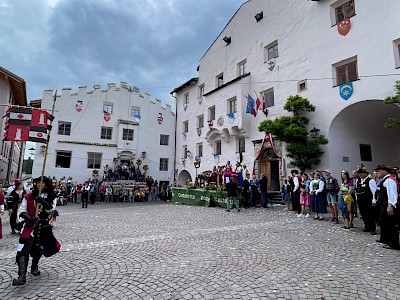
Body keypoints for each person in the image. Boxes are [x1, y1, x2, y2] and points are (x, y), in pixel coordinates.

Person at [12, 176, 61, 286]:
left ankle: (34, 266)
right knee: (23, 250)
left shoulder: (51, 197)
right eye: (38, 182)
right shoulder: (28, 196)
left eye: (42, 183)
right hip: (29, 227)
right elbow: (22, 211)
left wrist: (43, 202)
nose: (40, 185)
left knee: (38, 249)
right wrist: (29, 218)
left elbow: (51, 210)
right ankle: (22, 277)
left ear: (46, 185)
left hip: (43, 227)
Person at [375, 165, 399, 250]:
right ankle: (388, 240)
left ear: (384, 171)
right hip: (384, 205)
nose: (377, 173)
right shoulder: (385, 180)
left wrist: (390, 205)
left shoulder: (389, 180)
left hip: (387, 205)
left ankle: (394, 243)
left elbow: (392, 193)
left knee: (391, 224)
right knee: (386, 223)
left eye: (379, 171)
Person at [355, 167, 377, 234]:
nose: (360, 175)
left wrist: (374, 200)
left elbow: (374, 191)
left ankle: (372, 228)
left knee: (370, 214)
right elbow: (357, 190)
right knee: (363, 213)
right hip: (360, 200)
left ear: (365, 173)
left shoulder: (370, 181)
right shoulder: (358, 180)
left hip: (368, 200)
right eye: (359, 173)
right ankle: (367, 226)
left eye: (361, 173)